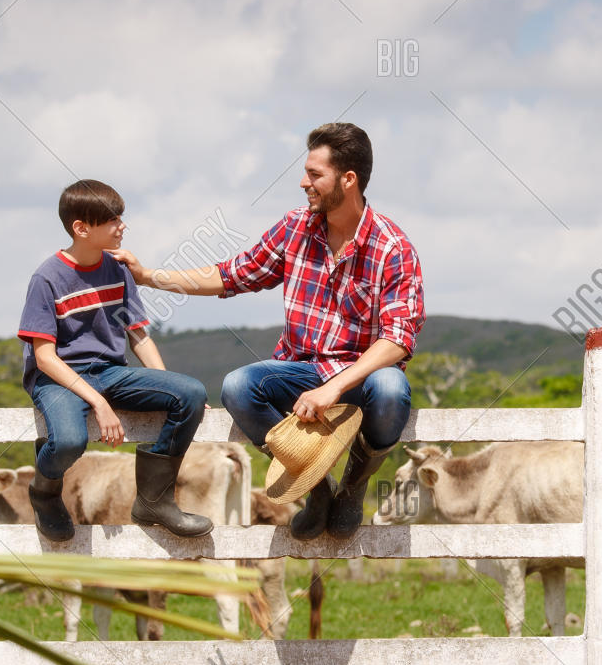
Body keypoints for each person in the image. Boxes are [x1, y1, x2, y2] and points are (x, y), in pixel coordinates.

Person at [113, 122, 424, 539]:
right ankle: (317, 487)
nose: (303, 182)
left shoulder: (392, 246)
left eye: (315, 174)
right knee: (239, 386)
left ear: (348, 179)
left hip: (361, 376)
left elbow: (397, 338)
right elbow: (231, 276)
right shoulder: (295, 227)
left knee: (390, 389)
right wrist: (150, 276)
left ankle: (352, 485)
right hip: (301, 371)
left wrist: (333, 388)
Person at [17, 179, 212, 542]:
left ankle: (154, 500)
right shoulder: (46, 278)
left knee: (190, 393)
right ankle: (44, 491)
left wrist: (167, 385)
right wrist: (99, 403)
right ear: (81, 228)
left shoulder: (118, 269)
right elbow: (44, 358)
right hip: (60, 377)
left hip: (109, 371)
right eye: (113, 220)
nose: (122, 227)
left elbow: (137, 333)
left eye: (121, 218)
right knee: (71, 441)